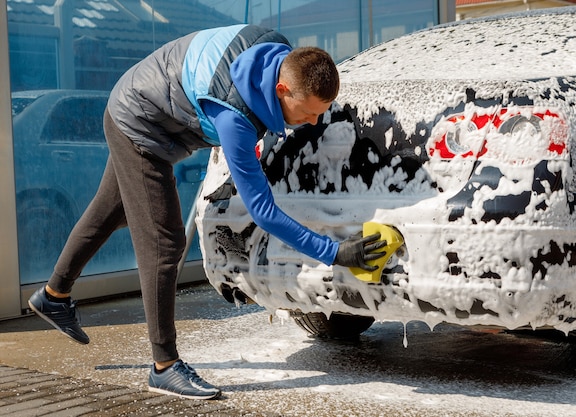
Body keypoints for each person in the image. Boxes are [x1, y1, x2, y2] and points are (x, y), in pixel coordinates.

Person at [27, 24, 386, 400]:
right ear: (282, 89)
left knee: (108, 213)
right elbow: (262, 210)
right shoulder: (236, 120)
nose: (313, 122)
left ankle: (54, 295)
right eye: (308, 113)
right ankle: (164, 366)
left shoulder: (277, 52)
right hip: (138, 121)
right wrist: (334, 252)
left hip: (137, 97)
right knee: (163, 245)